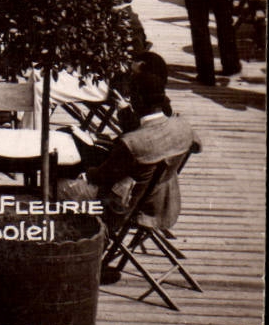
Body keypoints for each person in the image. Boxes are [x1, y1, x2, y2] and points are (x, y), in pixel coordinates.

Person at [56, 70, 197, 259]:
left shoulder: (132, 143)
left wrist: (84, 170)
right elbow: (191, 144)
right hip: (163, 201)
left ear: (137, 99)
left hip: (125, 208)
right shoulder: (183, 126)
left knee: (57, 185)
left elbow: (99, 176)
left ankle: (79, 253)